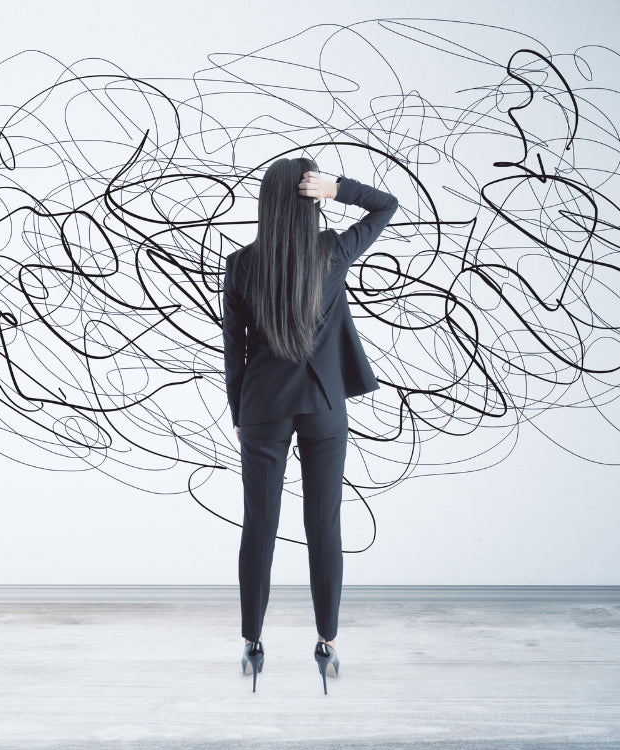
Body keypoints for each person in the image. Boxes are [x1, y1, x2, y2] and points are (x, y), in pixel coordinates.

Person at [222, 157, 399, 693]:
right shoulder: (332, 253)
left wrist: (241, 413)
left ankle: (252, 644)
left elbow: (235, 350)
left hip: (262, 409)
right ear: (309, 201)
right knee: (323, 526)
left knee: (259, 526)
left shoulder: (241, 264)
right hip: (324, 406)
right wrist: (340, 188)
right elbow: (387, 205)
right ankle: (328, 645)